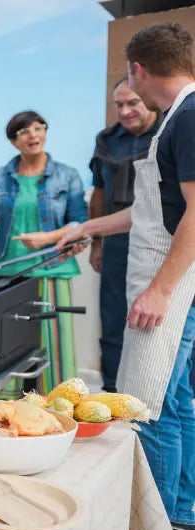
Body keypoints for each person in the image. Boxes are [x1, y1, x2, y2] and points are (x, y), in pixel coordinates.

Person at [59, 22, 195, 530]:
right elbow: (153, 210)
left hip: (168, 288)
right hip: (166, 283)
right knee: (177, 400)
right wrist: (84, 228)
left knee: (146, 407)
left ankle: (152, 525)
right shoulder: (179, 117)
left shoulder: (189, 117)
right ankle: (182, 512)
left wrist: (160, 290)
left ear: (138, 69)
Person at [0, 110, 88, 396]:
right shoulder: (0, 177)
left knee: (57, 348)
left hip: (53, 268)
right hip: (7, 271)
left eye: (40, 128)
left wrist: (47, 239)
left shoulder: (67, 175)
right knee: (6, 346)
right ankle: (4, 410)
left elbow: (80, 221)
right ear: (14, 141)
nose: (34, 135)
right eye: (25, 131)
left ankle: (60, 409)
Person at [88, 79, 161, 393]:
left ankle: (152, 394)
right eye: (120, 105)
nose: (126, 111)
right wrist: (96, 242)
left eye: (133, 103)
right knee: (114, 318)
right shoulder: (106, 140)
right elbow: (99, 194)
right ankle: (113, 392)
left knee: (157, 322)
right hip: (116, 242)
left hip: (160, 241)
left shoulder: (169, 133)